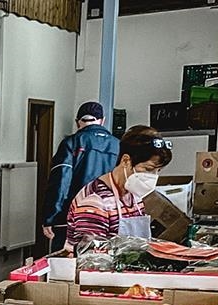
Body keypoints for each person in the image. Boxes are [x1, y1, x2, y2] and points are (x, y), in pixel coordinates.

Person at [65, 126, 173, 250]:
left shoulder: (134, 195)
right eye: (148, 169)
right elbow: (90, 259)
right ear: (126, 160)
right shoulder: (95, 203)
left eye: (158, 171)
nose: (154, 176)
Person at [41, 102, 121, 250]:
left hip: (72, 217)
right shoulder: (118, 145)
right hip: (108, 217)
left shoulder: (71, 143)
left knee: (66, 265)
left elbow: (60, 182)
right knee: (100, 263)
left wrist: (51, 218)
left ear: (78, 122)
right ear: (102, 120)